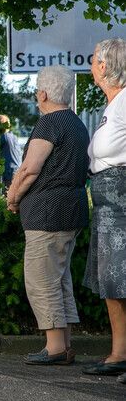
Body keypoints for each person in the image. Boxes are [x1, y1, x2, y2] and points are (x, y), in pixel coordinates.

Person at [6, 65, 89, 365]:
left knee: (42, 279)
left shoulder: (49, 123)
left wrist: (13, 197)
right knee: (60, 277)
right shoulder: (77, 125)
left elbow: (30, 168)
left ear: (42, 93)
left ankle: (54, 346)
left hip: (47, 213)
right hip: (72, 210)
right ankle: (63, 343)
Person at [82, 37, 126, 378]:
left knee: (119, 277)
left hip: (121, 201)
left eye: (95, 60)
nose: (91, 66)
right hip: (108, 203)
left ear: (106, 66)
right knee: (113, 280)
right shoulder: (112, 106)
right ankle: (119, 352)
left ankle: (120, 353)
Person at [0, 114, 23, 190]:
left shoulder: (3, 137)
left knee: (8, 196)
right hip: (17, 170)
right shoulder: (13, 136)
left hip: (9, 171)